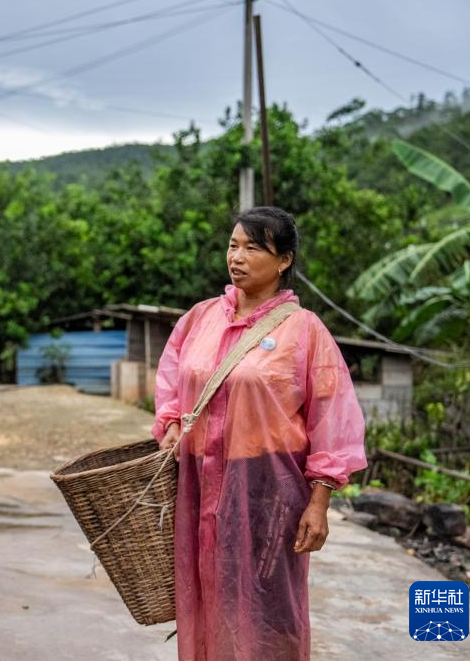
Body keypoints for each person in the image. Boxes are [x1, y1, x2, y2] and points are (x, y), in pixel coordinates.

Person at [152, 206, 366, 660]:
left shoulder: (304, 331)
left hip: (268, 494)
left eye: (253, 247)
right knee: (204, 592)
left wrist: (320, 501)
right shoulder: (199, 319)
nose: (237, 256)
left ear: (284, 260)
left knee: (268, 605)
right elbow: (173, 381)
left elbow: (332, 417)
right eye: (233, 245)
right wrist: (171, 423)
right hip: (196, 483)